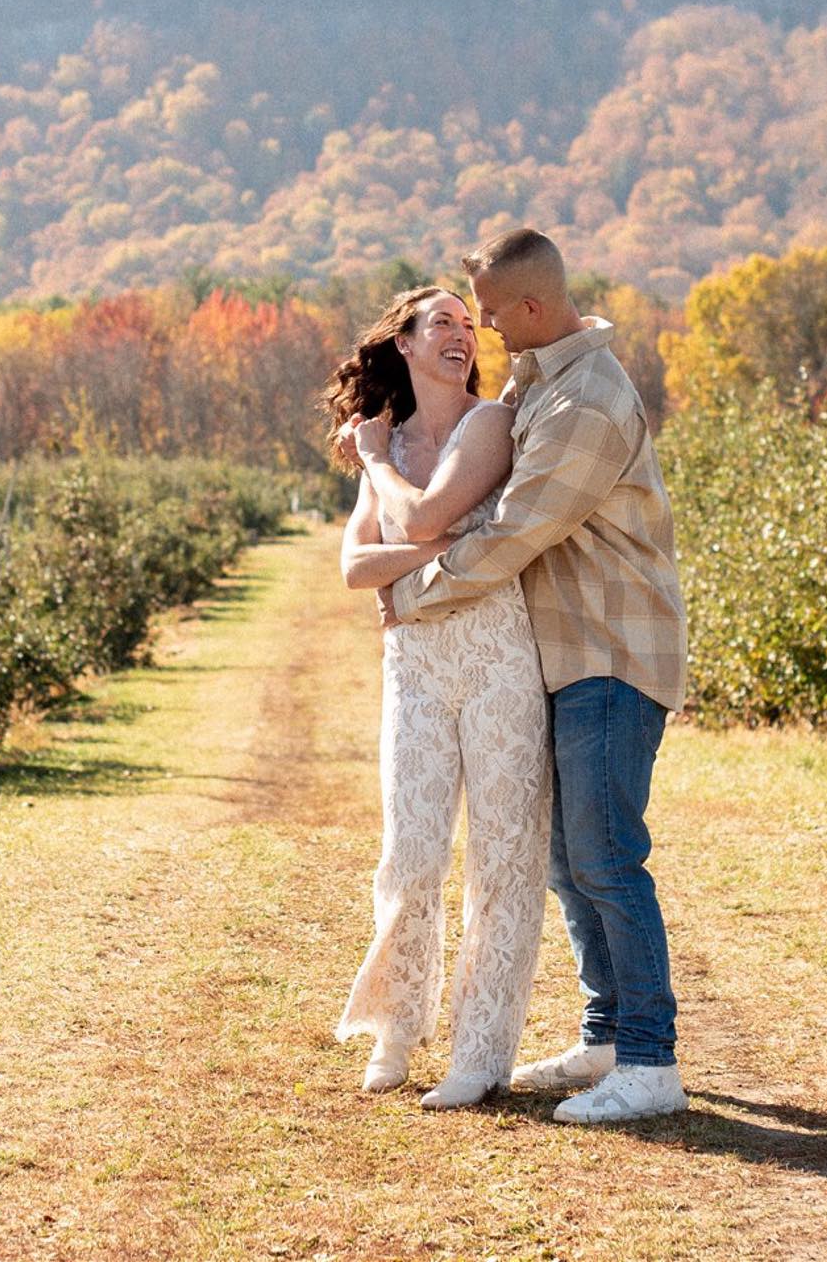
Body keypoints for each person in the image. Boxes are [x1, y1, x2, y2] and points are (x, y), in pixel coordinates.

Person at [381, 229, 689, 1125]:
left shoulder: (586, 399)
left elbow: (517, 528)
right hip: (563, 655)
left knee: (605, 854)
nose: (477, 329)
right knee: (565, 856)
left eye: (485, 312)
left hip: (611, 653)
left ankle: (651, 1061)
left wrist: (415, 590)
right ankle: (605, 1032)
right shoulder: (540, 379)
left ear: (527, 309)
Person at [325, 284, 551, 1110]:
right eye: (442, 324)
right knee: (411, 853)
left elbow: (416, 520)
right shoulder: (393, 446)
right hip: (414, 664)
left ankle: (482, 1052)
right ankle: (396, 1028)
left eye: (467, 323)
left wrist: (380, 467)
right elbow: (354, 568)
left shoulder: (485, 425)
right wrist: (444, 541)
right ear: (406, 345)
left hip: (498, 657)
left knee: (502, 856)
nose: (461, 335)